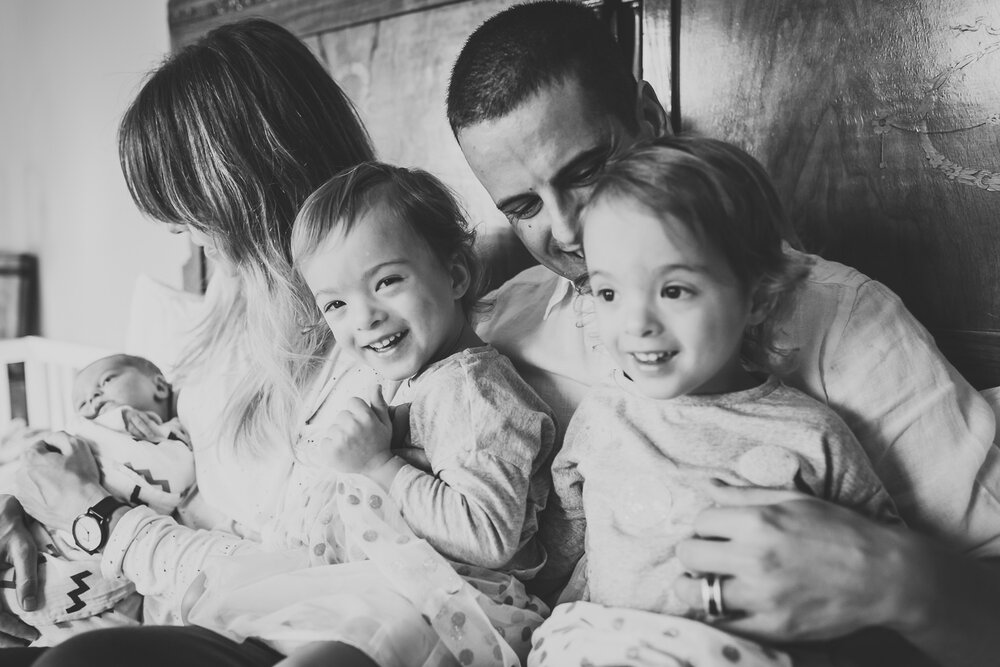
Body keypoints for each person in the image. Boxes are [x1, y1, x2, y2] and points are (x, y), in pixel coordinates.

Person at [448, 1, 1000, 664]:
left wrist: (890, 576)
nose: (566, 230)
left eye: (585, 172)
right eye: (523, 207)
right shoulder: (498, 326)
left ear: (648, 121)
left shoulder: (844, 320)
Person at [0, 17, 384, 667]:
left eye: (192, 215)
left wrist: (96, 518)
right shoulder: (225, 313)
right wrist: (26, 504)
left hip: (265, 636)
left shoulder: (373, 353)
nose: (187, 240)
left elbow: (316, 591)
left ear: (253, 192)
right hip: (145, 601)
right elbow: (136, 452)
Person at [530, 137, 905, 666]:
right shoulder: (601, 416)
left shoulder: (810, 434)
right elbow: (564, 547)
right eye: (609, 293)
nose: (637, 324)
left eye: (675, 290)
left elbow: (878, 587)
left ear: (756, 298)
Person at [182, 162, 554, 667]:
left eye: (386, 282)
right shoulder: (405, 379)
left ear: (456, 274)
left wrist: (380, 466)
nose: (363, 317)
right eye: (335, 304)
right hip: (388, 587)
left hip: (457, 609)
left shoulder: (474, 390)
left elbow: (488, 534)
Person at [0, 355, 195, 647]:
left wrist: (121, 418)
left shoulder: (174, 439)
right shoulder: (88, 433)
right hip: (49, 527)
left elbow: (175, 475)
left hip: (111, 550)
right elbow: (71, 439)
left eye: (106, 381)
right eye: (81, 404)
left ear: (159, 386)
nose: (92, 399)